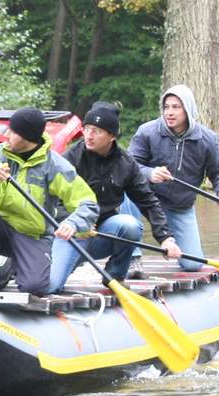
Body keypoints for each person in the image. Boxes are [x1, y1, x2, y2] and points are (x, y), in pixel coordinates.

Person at [0, 107, 99, 296]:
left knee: (35, 288)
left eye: (12, 131)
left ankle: (28, 263)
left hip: (32, 235)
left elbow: (87, 203)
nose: (6, 135)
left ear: (26, 137)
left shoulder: (55, 165)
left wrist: (73, 223)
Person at [49, 102, 182, 293]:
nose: (88, 135)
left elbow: (148, 201)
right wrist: (75, 222)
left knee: (130, 225)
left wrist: (166, 238)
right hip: (69, 234)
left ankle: (115, 276)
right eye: (86, 129)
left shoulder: (126, 163)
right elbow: (50, 200)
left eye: (96, 131)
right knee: (52, 286)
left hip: (102, 233)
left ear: (111, 136)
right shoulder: (70, 159)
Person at [120, 84, 219, 274]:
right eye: (166, 107)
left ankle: (172, 247)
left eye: (176, 107)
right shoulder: (147, 132)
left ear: (188, 110)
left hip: (179, 206)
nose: (169, 112)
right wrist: (150, 173)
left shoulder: (207, 139)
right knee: (127, 191)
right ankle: (133, 257)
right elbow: (127, 167)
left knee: (192, 264)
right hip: (146, 199)